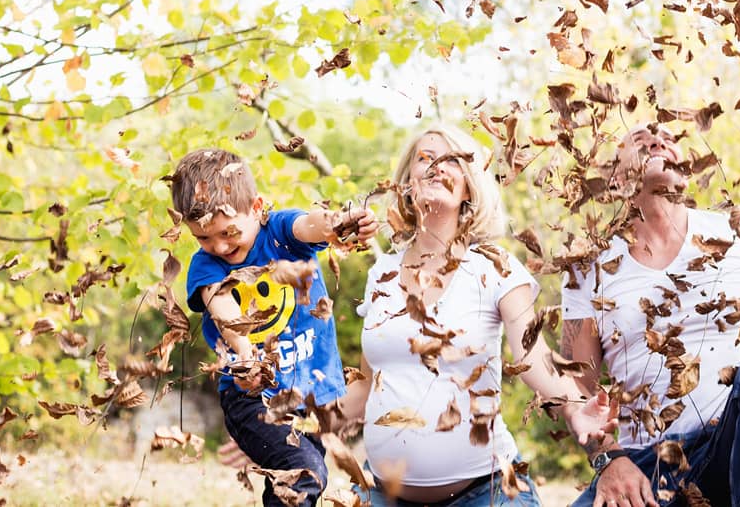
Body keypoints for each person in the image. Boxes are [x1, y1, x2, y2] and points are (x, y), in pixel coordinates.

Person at [340, 124, 616, 506]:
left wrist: (575, 408)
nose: (437, 166)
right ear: (407, 184)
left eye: (451, 159)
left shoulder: (494, 268)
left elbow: (534, 358)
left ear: (469, 186)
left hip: (487, 493)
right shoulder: (380, 275)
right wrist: (284, 424)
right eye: (425, 159)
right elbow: (364, 388)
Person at [561, 123, 740, 507]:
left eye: (669, 140)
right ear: (616, 174)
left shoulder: (739, 233)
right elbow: (576, 390)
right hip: (647, 470)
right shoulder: (588, 267)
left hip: (735, 444)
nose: (659, 142)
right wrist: (608, 459)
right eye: (641, 140)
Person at [170, 147, 378, 507]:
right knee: (304, 473)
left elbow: (310, 225)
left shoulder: (281, 233)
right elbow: (222, 308)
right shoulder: (205, 266)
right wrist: (248, 355)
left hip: (311, 394)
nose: (218, 246)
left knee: (298, 478)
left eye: (227, 232)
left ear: (256, 208)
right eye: (203, 238)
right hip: (252, 396)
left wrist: (342, 222)